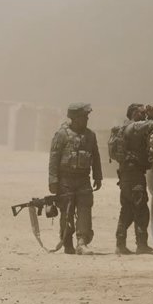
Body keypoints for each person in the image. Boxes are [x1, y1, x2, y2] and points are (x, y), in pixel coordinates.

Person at [48, 102, 102, 255]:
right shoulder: (62, 135)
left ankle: (82, 242)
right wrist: (53, 180)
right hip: (65, 180)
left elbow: (96, 157)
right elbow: (54, 158)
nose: (86, 119)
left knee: (85, 209)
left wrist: (98, 176)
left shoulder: (90, 135)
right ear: (74, 118)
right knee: (67, 212)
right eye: (83, 116)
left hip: (84, 179)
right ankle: (67, 242)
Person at [115, 103, 153, 255]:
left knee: (127, 209)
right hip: (133, 175)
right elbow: (149, 125)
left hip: (129, 174)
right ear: (133, 114)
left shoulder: (129, 128)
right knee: (140, 208)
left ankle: (120, 243)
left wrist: (150, 116)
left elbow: (149, 129)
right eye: (141, 112)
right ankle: (142, 244)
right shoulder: (132, 127)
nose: (143, 115)